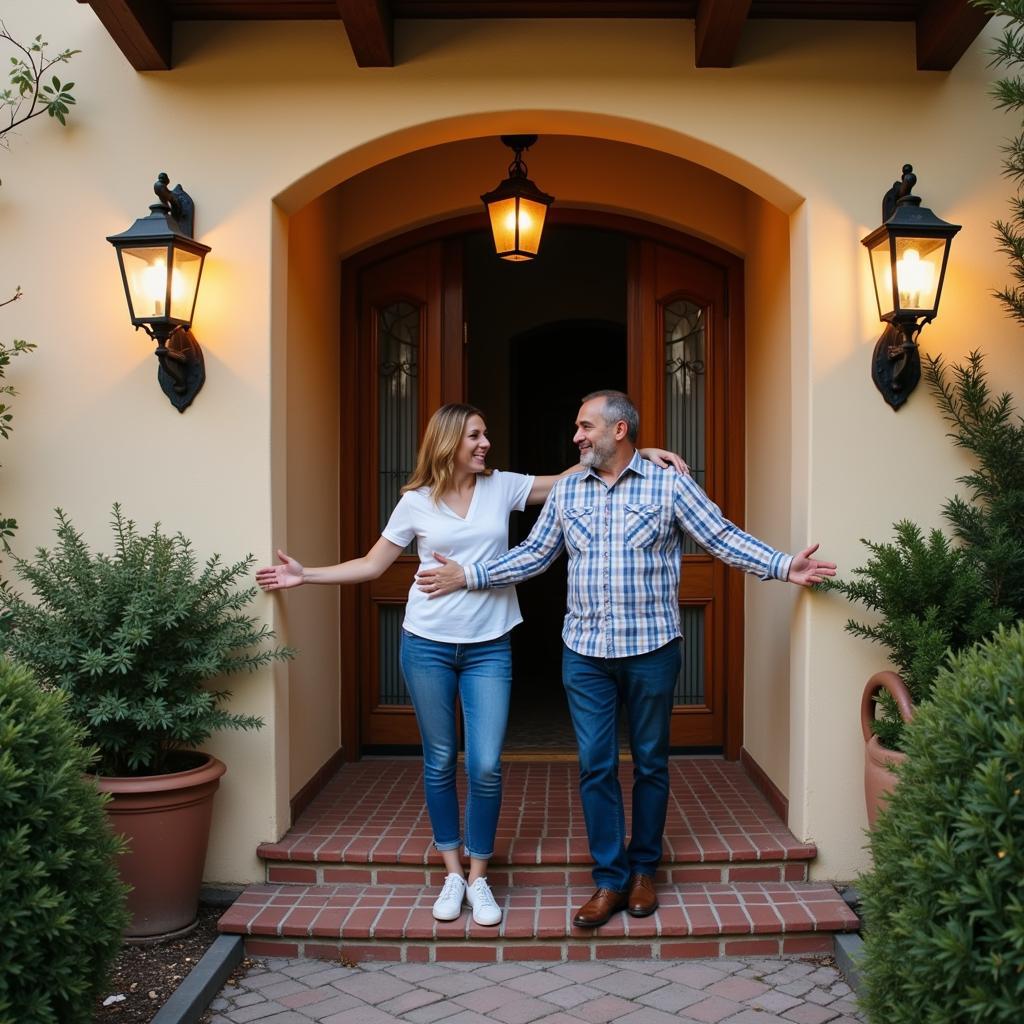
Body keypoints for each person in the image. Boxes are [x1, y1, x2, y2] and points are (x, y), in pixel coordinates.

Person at [416, 390, 836, 929]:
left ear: (618, 431)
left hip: (652, 650)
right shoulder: (569, 491)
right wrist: (469, 574)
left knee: (651, 764)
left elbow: (721, 536)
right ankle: (609, 880)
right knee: (595, 767)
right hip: (585, 654)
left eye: (585, 426)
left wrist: (782, 566)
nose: (576, 437)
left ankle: (644, 872)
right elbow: (532, 556)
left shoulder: (669, 484)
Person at [256, 402, 686, 927]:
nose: (485, 444)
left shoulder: (501, 486)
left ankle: (480, 877)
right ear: (448, 443)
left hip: (489, 645)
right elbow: (372, 564)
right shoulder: (415, 503)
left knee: (483, 765)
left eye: (485, 435)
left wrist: (644, 452)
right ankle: (452, 871)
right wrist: (307, 575)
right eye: (475, 437)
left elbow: (576, 475)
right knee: (439, 761)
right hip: (426, 644)